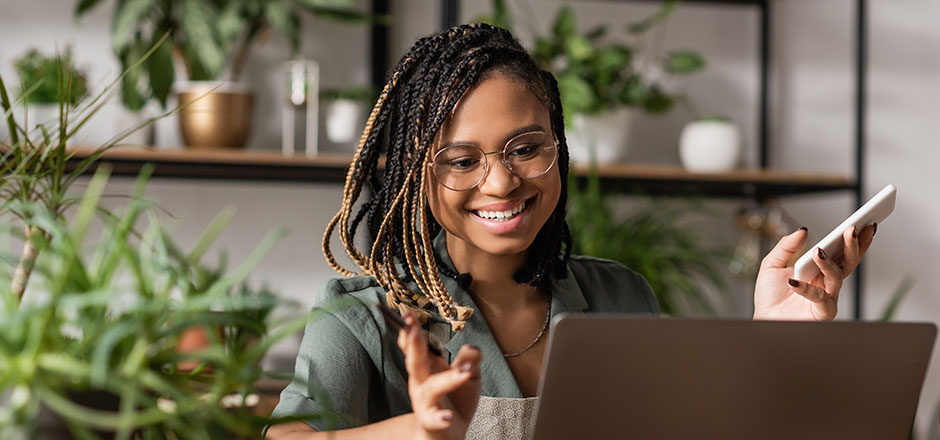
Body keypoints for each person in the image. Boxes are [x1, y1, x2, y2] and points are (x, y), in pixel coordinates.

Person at [266, 23, 876, 440]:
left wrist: (766, 342)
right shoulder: (361, 317)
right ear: (413, 178)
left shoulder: (621, 299)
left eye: (524, 147)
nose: (501, 183)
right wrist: (420, 430)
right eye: (461, 159)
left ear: (558, 148)